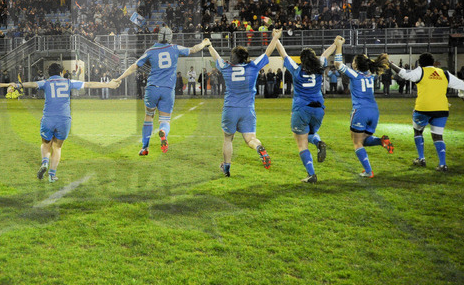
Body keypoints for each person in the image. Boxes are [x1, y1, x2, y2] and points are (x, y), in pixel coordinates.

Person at [114, 26, 210, 155]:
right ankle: (163, 131)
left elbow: (134, 66)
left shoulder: (150, 51)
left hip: (152, 88)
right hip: (168, 90)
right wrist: (204, 43)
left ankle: (144, 148)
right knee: (165, 120)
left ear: (158, 36)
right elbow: (193, 49)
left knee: (148, 117)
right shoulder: (175, 48)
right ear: (170, 37)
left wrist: (119, 78)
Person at [18, 63, 117, 183]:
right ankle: (52, 175)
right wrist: (109, 85)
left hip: (48, 118)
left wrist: (19, 85)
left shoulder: (45, 82)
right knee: (57, 147)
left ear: (49, 74)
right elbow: (89, 84)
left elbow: (32, 84)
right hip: (64, 119)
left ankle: (45, 162)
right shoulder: (68, 82)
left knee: (45, 143)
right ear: (61, 73)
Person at [208, 28, 281, 176]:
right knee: (250, 139)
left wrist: (209, 45)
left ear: (234, 58)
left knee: (228, 139)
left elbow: (216, 58)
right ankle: (259, 148)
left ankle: (226, 167)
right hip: (247, 109)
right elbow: (268, 52)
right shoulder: (252, 67)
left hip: (230, 109)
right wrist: (275, 38)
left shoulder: (227, 68)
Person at [274, 35, 340, 183]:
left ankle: (311, 174)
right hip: (318, 108)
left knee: (301, 141)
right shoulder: (319, 67)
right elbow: (325, 54)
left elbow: (283, 53)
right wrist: (335, 43)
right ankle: (318, 142)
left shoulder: (297, 71)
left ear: (302, 60)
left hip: (301, 109)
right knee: (310, 133)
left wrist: (276, 39)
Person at [388, 53, 464, 171]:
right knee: (438, 136)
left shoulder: (421, 71)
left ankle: (421, 158)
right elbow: (461, 84)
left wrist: (390, 64)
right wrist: (462, 94)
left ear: (420, 63)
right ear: (433, 62)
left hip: (423, 109)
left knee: (418, 131)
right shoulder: (444, 73)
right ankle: (442, 164)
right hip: (441, 109)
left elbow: (403, 74)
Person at [333, 38, 395, 178]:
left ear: (356, 65)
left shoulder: (355, 75)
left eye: (354, 62)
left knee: (357, 142)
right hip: (374, 111)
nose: (352, 64)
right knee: (365, 140)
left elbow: (338, 63)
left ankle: (368, 171)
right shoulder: (370, 75)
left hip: (361, 111)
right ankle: (381, 141)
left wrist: (339, 46)